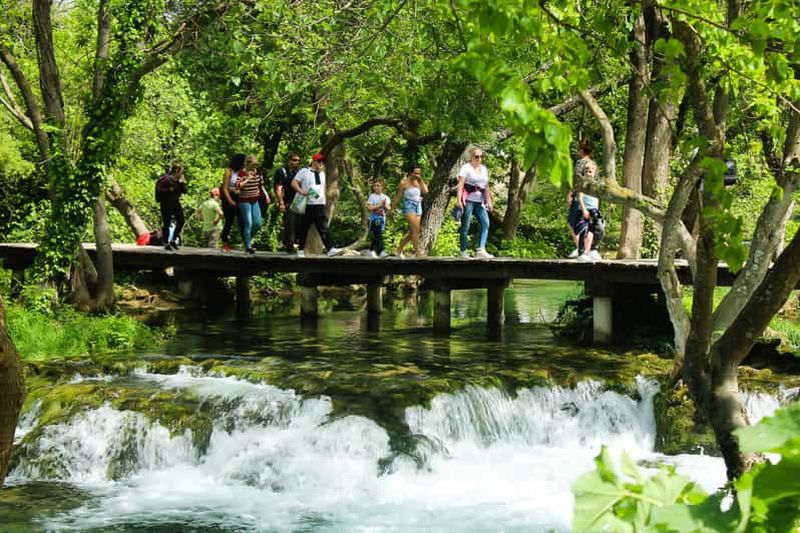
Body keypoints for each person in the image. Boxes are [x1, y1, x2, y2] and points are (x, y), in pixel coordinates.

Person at [292, 153, 340, 257]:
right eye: (318, 161)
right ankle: (300, 249)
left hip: (320, 204)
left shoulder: (322, 174)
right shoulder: (304, 171)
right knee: (304, 227)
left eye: (321, 161)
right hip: (308, 204)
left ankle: (330, 248)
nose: (320, 163)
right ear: (313, 161)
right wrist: (301, 191)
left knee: (323, 227)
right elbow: (294, 183)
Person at [567, 139, 602, 261]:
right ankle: (587, 250)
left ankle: (580, 249)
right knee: (590, 225)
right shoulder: (593, 164)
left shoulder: (580, 163)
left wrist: (571, 194)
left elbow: (578, 180)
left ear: (582, 150)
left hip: (581, 198)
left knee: (574, 223)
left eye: (579, 149)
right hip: (591, 199)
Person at [456, 148, 493, 258]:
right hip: (468, 201)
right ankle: (463, 251)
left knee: (485, 223)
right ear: (471, 157)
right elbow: (460, 185)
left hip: (479, 201)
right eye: (476, 156)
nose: (479, 159)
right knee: (466, 225)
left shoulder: (484, 169)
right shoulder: (466, 168)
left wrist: (489, 201)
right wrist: (458, 201)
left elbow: (486, 186)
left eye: (481, 156)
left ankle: (480, 249)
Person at [236, 155, 270, 255]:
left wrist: (266, 194)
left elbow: (261, 185)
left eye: (256, 164)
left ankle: (247, 239)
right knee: (248, 223)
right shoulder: (242, 173)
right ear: (248, 164)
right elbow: (238, 186)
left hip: (255, 200)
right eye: (253, 164)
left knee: (257, 223)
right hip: (244, 201)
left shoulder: (258, 172)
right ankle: (248, 246)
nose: (255, 166)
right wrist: (247, 178)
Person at [392, 165, 428, 257]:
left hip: (418, 206)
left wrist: (421, 180)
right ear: (411, 173)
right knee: (417, 229)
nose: (417, 175)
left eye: (419, 173)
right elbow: (398, 197)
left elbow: (425, 191)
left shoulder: (418, 182)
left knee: (413, 232)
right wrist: (391, 208)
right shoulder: (404, 183)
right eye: (415, 173)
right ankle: (417, 253)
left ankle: (399, 250)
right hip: (409, 206)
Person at [155, 162, 186, 251]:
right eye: (181, 171)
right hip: (166, 203)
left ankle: (173, 239)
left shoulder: (179, 180)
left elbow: (184, 191)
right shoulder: (165, 179)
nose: (182, 174)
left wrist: (182, 183)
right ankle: (166, 242)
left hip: (175, 202)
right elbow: (159, 189)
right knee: (167, 222)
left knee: (181, 221)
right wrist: (169, 189)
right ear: (176, 171)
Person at [274, 152, 302, 252]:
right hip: (287, 202)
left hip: (299, 203)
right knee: (290, 224)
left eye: (298, 160)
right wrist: (281, 202)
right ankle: (288, 246)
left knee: (297, 225)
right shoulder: (282, 171)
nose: (297, 162)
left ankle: (289, 244)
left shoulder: (299, 172)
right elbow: (278, 188)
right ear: (289, 160)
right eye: (294, 160)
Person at [221, 153, 246, 252]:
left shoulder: (242, 172)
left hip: (239, 197)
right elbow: (225, 188)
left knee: (242, 221)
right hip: (228, 198)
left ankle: (246, 243)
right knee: (229, 221)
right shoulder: (229, 171)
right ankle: (225, 242)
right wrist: (230, 200)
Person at [367, 180, 391, 257]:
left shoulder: (385, 197)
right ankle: (382, 251)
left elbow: (388, 208)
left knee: (377, 234)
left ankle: (371, 250)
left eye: (378, 185)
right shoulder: (372, 196)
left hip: (382, 218)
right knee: (378, 234)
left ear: (382, 187)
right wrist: (379, 204)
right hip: (374, 218)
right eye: (374, 186)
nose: (376, 187)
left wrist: (384, 205)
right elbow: (370, 207)